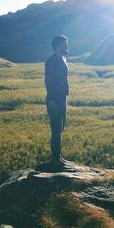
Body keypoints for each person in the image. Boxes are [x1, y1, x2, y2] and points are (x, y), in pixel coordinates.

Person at [44, 35, 73, 166]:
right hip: (54, 100)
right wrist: (52, 100)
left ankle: (58, 157)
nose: (67, 46)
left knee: (60, 129)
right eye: (65, 44)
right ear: (58, 45)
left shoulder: (63, 58)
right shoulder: (51, 61)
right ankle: (55, 159)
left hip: (62, 99)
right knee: (56, 130)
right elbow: (49, 83)